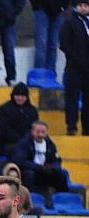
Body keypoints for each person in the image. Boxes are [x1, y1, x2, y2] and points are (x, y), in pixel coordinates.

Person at [13, 119, 70, 194]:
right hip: (30, 171)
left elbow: (57, 160)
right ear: (32, 132)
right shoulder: (24, 143)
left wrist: (52, 167)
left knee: (61, 175)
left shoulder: (50, 144)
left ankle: (63, 200)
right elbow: (20, 161)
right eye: (38, 132)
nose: (40, 135)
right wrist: (39, 167)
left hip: (45, 173)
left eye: (43, 132)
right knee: (29, 174)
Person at [59, 0, 89, 136]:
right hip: (74, 67)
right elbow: (64, 43)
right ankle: (71, 126)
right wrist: (73, 57)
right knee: (72, 97)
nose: (83, 8)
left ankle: (87, 127)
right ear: (76, 7)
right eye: (80, 6)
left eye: (86, 6)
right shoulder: (70, 22)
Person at [0, 83, 39, 158]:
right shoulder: (4, 109)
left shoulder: (32, 110)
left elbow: (35, 127)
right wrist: (22, 141)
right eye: (17, 95)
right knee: (20, 150)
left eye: (22, 96)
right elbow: (4, 131)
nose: (20, 98)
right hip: (6, 144)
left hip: (28, 142)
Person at [33, 0, 69, 76]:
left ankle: (50, 76)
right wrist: (37, 5)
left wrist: (63, 6)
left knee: (53, 45)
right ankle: (39, 76)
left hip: (57, 10)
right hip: (41, 9)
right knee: (41, 46)